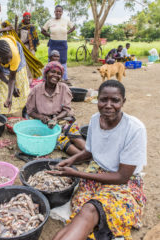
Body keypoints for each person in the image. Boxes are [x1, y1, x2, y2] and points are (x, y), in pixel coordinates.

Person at [52, 80, 147, 240]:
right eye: (103, 99)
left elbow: (121, 177)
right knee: (82, 212)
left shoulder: (134, 129)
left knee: (90, 209)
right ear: (98, 100)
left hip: (124, 182)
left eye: (115, 100)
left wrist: (79, 175)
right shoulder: (95, 119)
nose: (108, 105)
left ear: (123, 102)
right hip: (97, 173)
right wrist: (71, 161)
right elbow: (90, 151)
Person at [26, 61, 86, 156]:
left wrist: (56, 118)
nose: (55, 75)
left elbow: (66, 110)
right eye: (52, 72)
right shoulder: (36, 90)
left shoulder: (64, 88)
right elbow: (30, 111)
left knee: (73, 134)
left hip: (63, 119)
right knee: (61, 139)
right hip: (45, 124)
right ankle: (84, 157)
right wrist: (40, 117)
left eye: (59, 73)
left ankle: (92, 155)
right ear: (46, 73)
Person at [0, 35, 30, 114]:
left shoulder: (15, 54)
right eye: (5, 59)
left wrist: (9, 97)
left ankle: (25, 110)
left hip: (15, 49)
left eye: (10, 57)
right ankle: (3, 112)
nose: (9, 61)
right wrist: (7, 82)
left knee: (21, 81)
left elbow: (12, 78)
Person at [41, 5, 75, 83]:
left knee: (63, 60)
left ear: (62, 12)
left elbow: (73, 27)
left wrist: (68, 32)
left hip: (63, 43)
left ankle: (64, 78)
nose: (58, 12)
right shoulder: (50, 21)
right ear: (54, 12)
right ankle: (48, 78)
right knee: (52, 60)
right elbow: (42, 31)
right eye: (57, 11)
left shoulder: (65, 20)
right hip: (53, 43)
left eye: (60, 11)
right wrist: (50, 35)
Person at [17, 12, 40, 84]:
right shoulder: (20, 26)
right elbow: (16, 36)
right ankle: (24, 78)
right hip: (23, 47)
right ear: (23, 18)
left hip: (31, 47)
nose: (28, 18)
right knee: (24, 63)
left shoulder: (32, 27)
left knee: (32, 62)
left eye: (29, 17)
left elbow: (35, 37)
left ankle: (30, 78)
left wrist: (29, 41)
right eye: (26, 17)